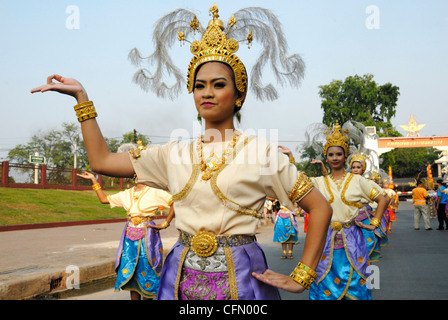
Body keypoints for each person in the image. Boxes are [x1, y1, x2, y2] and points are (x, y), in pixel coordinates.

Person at [32, 4, 332, 300]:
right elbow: (102, 161)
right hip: (180, 277)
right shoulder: (173, 154)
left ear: (239, 95)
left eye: (219, 85)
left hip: (241, 280)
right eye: (199, 85)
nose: (207, 93)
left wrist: (301, 276)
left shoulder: (260, 152)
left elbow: (320, 208)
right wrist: (82, 100)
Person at [271, 121, 389, 300]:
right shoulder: (318, 182)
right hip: (324, 239)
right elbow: (296, 184)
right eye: (331, 154)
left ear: (345, 156)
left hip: (353, 239)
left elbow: (383, 198)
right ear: (326, 158)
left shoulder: (358, 181)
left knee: (356, 281)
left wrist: (375, 223)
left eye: (339, 154)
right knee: (322, 278)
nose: (335, 158)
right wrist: (290, 159)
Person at [76, 171, 174, 300]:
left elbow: (175, 202)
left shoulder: (154, 191)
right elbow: (104, 199)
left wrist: (166, 223)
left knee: (147, 271)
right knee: (131, 272)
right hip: (129, 238)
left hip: (148, 237)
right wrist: (94, 181)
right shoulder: (126, 194)